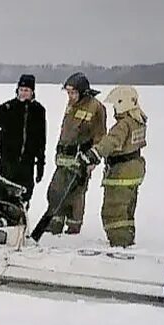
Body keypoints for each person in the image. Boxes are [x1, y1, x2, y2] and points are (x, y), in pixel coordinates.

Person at [77, 85, 147, 247]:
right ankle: (127, 238)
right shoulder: (139, 121)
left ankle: (120, 243)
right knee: (127, 209)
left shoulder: (123, 124)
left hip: (121, 172)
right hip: (135, 168)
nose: (114, 108)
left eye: (116, 104)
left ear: (123, 103)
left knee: (114, 210)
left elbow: (111, 141)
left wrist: (94, 154)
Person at [44, 72, 107, 235]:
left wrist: (93, 160)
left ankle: (73, 227)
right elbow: (65, 130)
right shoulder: (71, 105)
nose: (70, 96)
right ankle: (55, 223)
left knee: (76, 194)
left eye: (73, 93)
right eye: (68, 93)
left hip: (81, 159)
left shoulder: (96, 107)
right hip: (64, 157)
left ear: (83, 92)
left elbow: (100, 136)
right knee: (56, 190)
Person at [0, 74, 47, 205]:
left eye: (27, 90)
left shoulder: (39, 111)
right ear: (17, 90)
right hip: (8, 162)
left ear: (32, 92)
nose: (23, 93)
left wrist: (40, 163)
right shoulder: (7, 108)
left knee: (24, 195)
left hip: (27, 163)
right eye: (21, 90)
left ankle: (21, 217)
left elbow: (41, 139)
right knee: (4, 195)